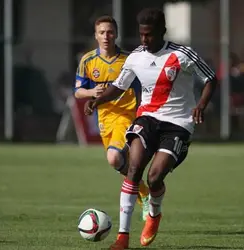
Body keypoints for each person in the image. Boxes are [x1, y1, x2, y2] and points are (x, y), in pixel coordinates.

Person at [85, 8, 217, 250]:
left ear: (161, 32)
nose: (144, 40)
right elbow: (119, 86)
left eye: (149, 35)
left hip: (177, 125)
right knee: (134, 168)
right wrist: (97, 101)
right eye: (141, 35)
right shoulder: (136, 56)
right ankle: (122, 238)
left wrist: (201, 105)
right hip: (147, 119)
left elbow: (211, 78)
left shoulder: (182, 54)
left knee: (154, 178)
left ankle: (154, 215)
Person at [74, 15, 150, 221]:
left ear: (116, 34)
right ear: (96, 36)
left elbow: (146, 85)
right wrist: (92, 94)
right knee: (116, 162)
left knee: (114, 158)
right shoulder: (88, 61)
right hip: (105, 119)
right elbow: (78, 92)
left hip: (127, 116)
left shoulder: (129, 60)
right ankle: (142, 189)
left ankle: (142, 193)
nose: (106, 36)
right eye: (101, 32)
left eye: (110, 32)